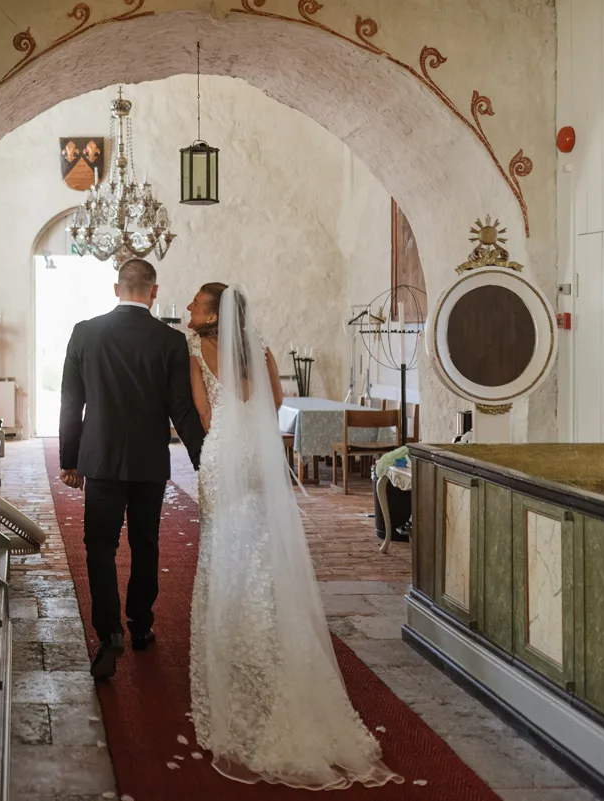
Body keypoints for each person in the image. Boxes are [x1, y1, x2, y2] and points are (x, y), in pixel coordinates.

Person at [185, 282, 402, 790]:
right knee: (261, 544)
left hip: (223, 453)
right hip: (257, 456)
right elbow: (277, 402)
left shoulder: (196, 354)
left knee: (222, 547)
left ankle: (234, 641)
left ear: (213, 315)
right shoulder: (260, 349)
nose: (189, 308)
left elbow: (205, 414)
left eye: (196, 303)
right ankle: (274, 632)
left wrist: (224, 428)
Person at [58, 258, 206, 681]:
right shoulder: (170, 340)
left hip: (101, 459)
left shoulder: (85, 332)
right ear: (154, 292)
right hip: (149, 462)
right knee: (145, 543)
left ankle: (109, 634)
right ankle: (140, 624)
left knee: (99, 546)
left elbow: (71, 402)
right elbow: (181, 409)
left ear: (116, 288)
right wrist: (204, 459)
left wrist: (70, 459)